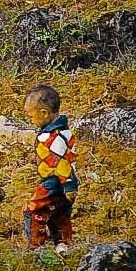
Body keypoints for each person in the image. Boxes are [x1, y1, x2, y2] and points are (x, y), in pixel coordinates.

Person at [22, 83, 78, 252]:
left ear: (44, 113)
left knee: (32, 210)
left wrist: (68, 184)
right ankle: (63, 245)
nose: (31, 121)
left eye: (32, 116)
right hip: (64, 183)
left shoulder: (52, 137)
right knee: (59, 215)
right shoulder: (64, 132)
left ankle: (36, 247)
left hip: (54, 182)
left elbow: (62, 162)